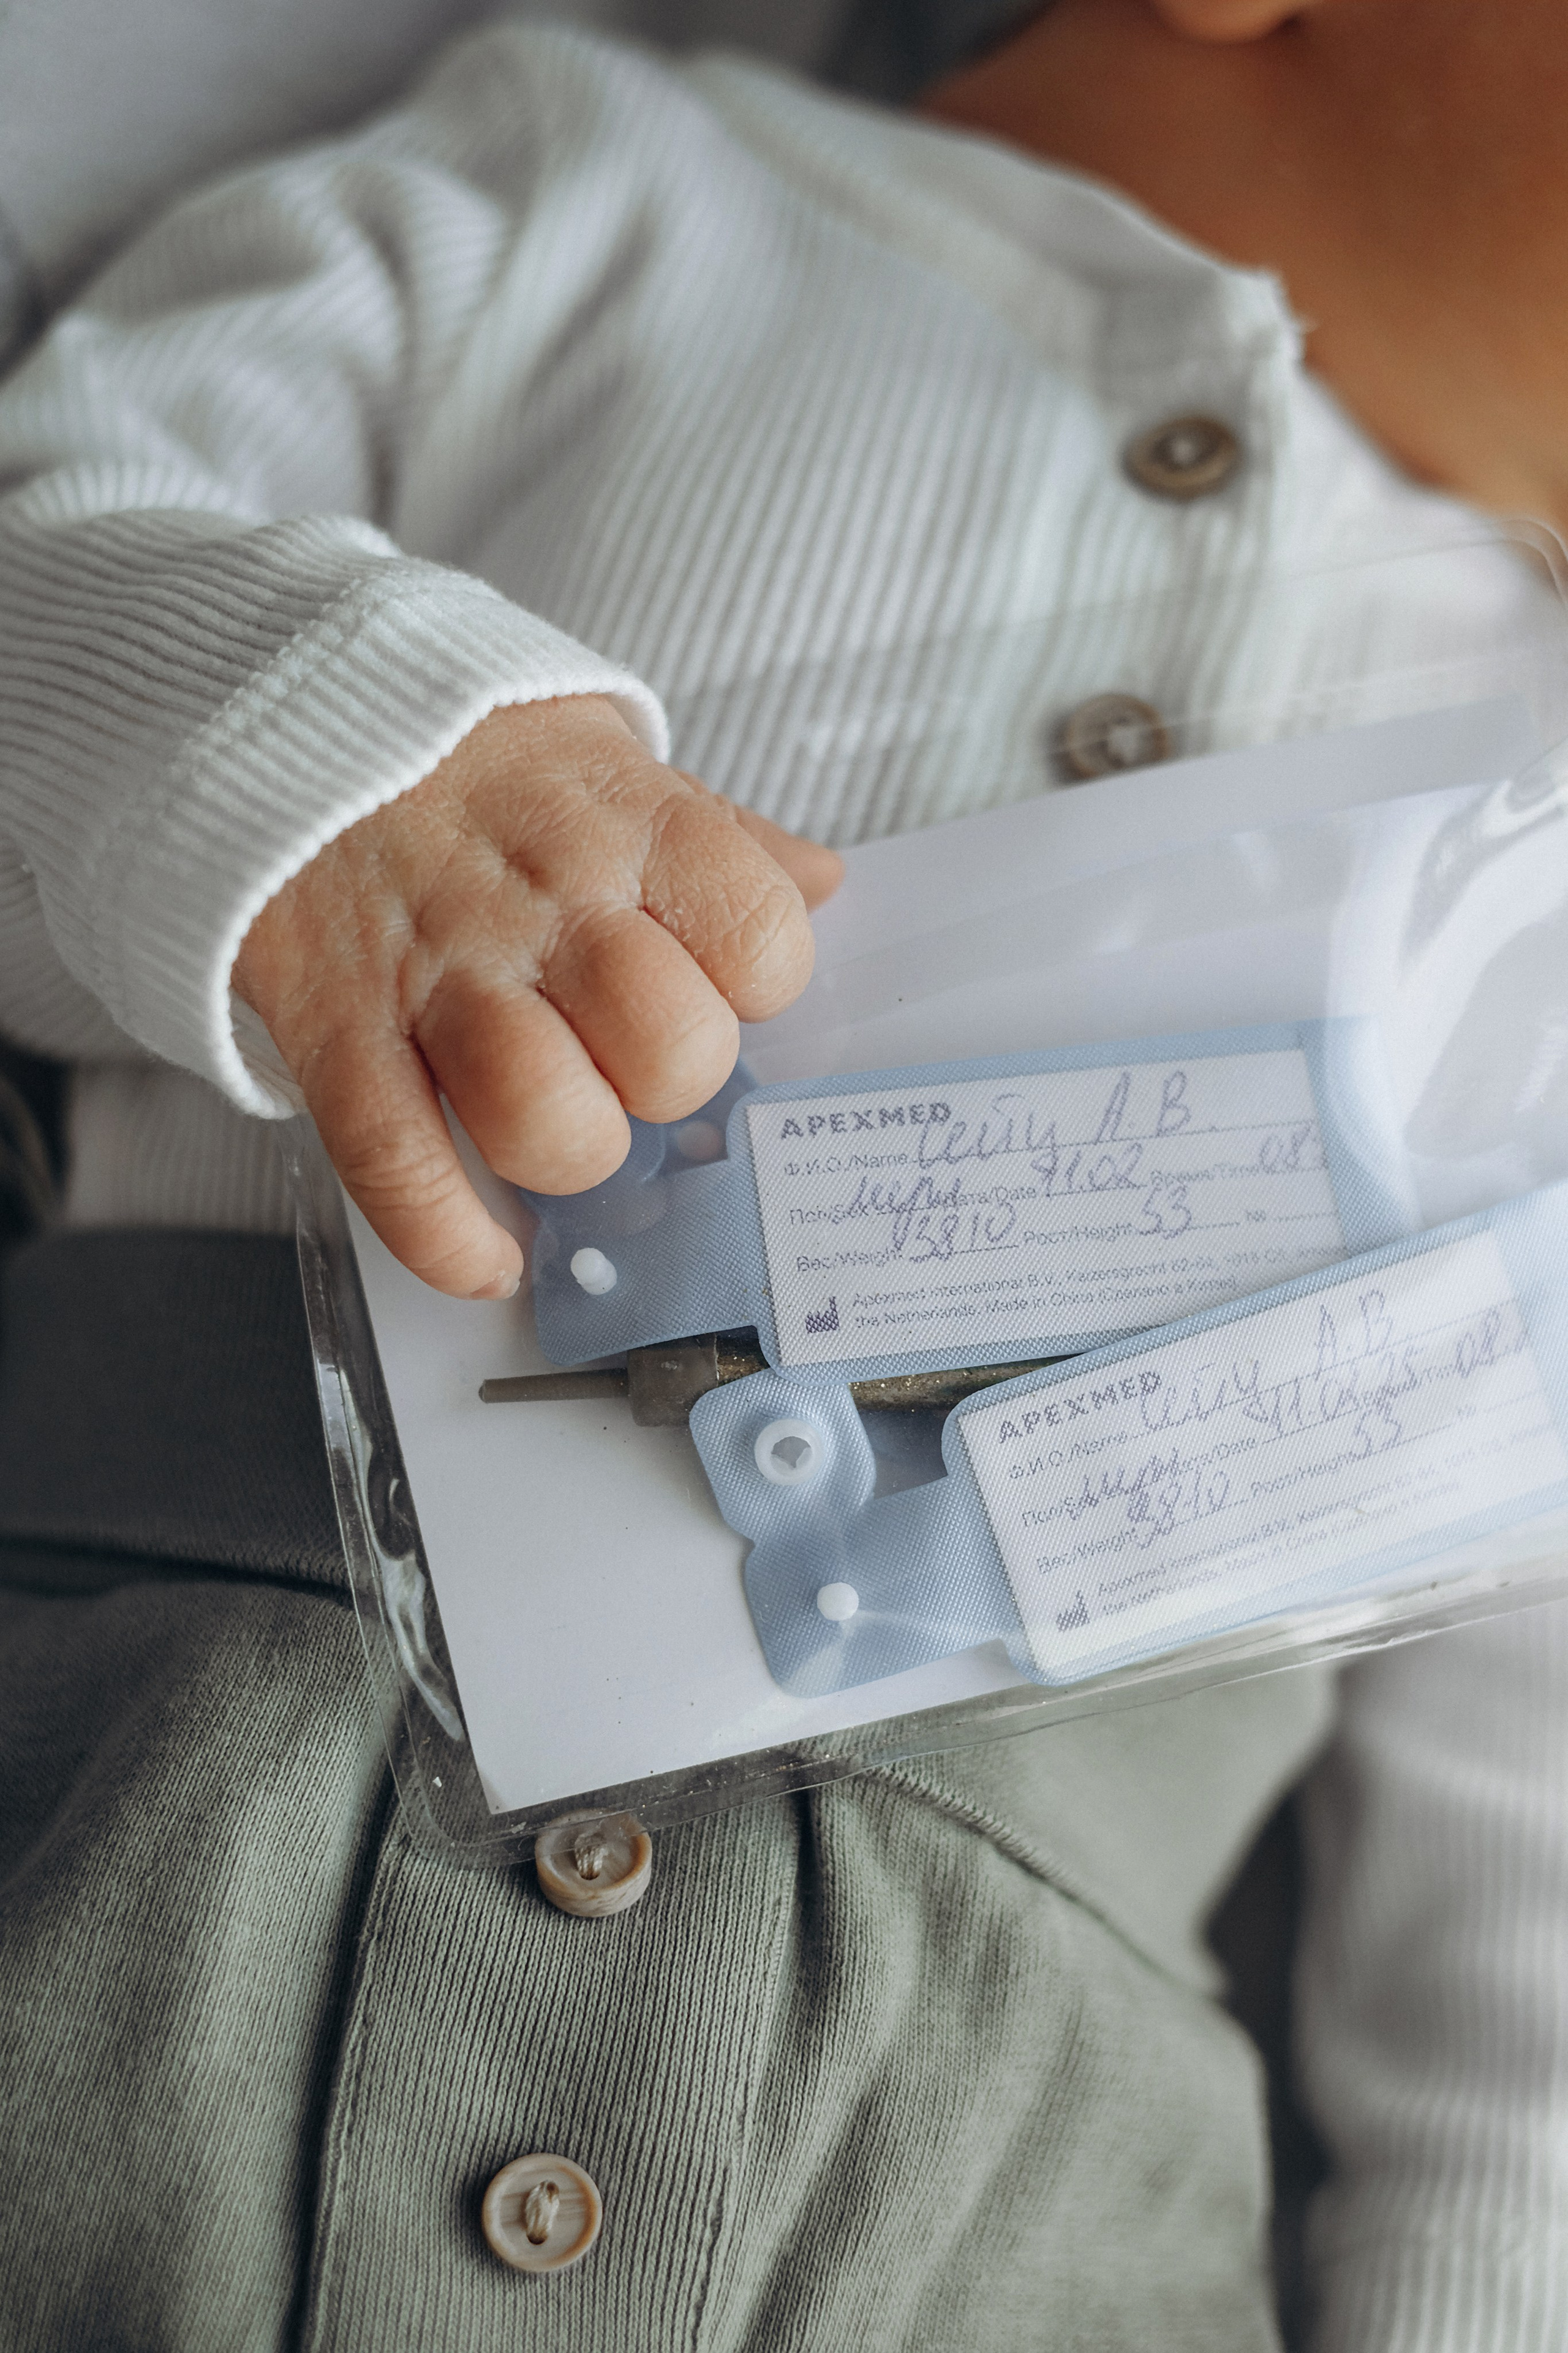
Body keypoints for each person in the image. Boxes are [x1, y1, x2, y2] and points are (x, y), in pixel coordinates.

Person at [2, 2, 1567, 2345]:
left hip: (998, 2150)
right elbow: (54, 550)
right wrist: (329, 764)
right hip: (173, 1827)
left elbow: (1528, 1836)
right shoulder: (578, 191)